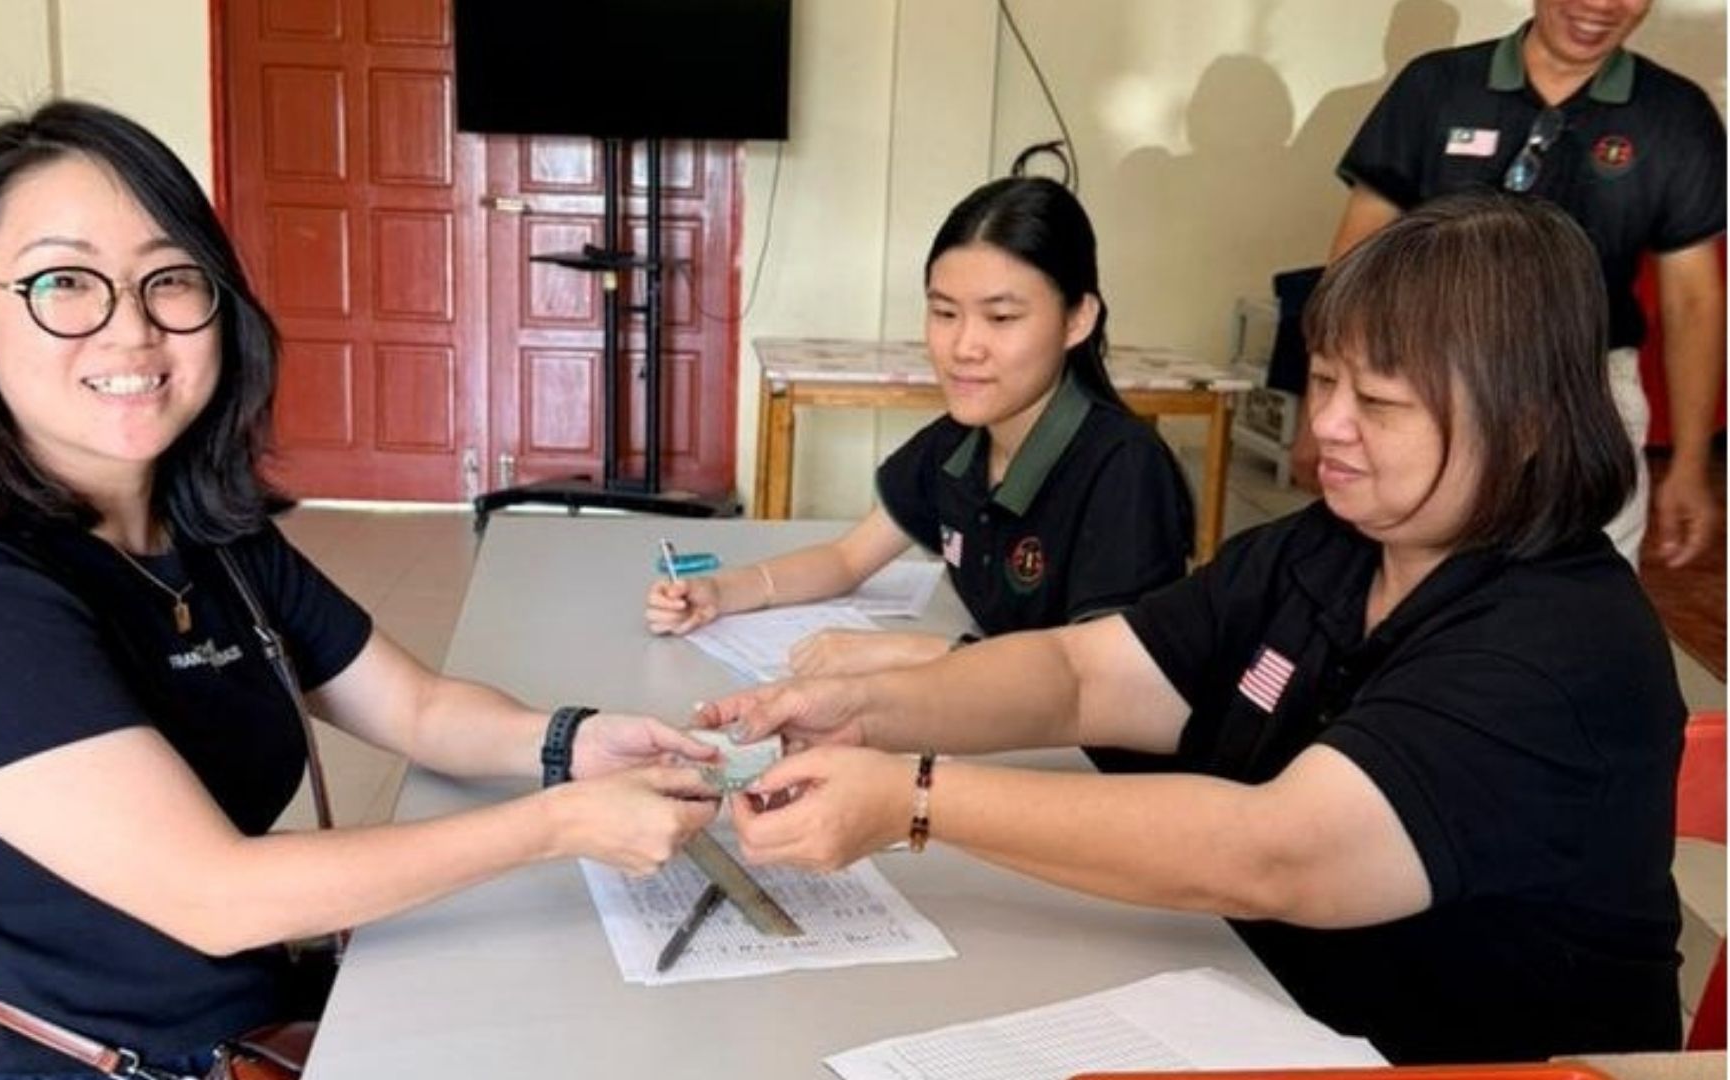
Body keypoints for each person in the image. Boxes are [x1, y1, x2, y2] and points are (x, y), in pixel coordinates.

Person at [0, 100, 719, 1080]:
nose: (132, 331)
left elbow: (417, 708)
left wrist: (574, 743)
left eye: (170, 279)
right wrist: (561, 824)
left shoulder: (203, 527)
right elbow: (215, 896)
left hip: (239, 1035)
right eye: (65, 283)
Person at [705, 192, 1686, 1063]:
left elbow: (1273, 852)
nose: (1328, 426)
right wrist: (867, 710)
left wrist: (915, 799)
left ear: (1526, 423)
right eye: (1325, 382)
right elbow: (1086, 676)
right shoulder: (1328, 548)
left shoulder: (1560, 645)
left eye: (1380, 402)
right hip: (1254, 998)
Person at [647, 177, 1193, 677]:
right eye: (945, 313)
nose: (964, 347)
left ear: (1078, 319)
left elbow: (1098, 676)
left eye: (1002, 318)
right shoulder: (957, 443)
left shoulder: (1125, 466)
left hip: (1073, 748)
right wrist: (720, 591)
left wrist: (907, 653)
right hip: (988, 718)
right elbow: (846, 559)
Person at [1292, 0, 1726, 570]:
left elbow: (1694, 302)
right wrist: (1323, 404)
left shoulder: (1674, 114)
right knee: (1408, 573)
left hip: (1590, 386)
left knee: (1579, 583)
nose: (1601, 4)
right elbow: (1357, 258)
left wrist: (1691, 462)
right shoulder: (1437, 86)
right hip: (1425, 383)